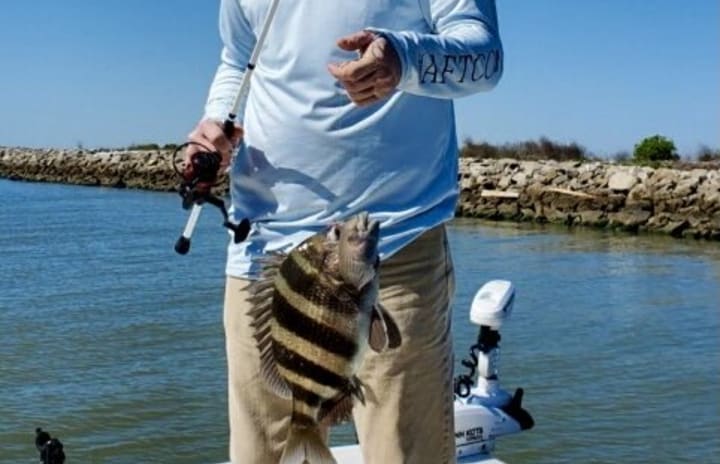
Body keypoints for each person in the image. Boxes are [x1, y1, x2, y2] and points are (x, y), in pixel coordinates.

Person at [186, 1, 503, 462]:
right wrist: (215, 122)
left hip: (390, 244)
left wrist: (404, 58)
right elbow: (237, 59)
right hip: (264, 247)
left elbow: (486, 59)